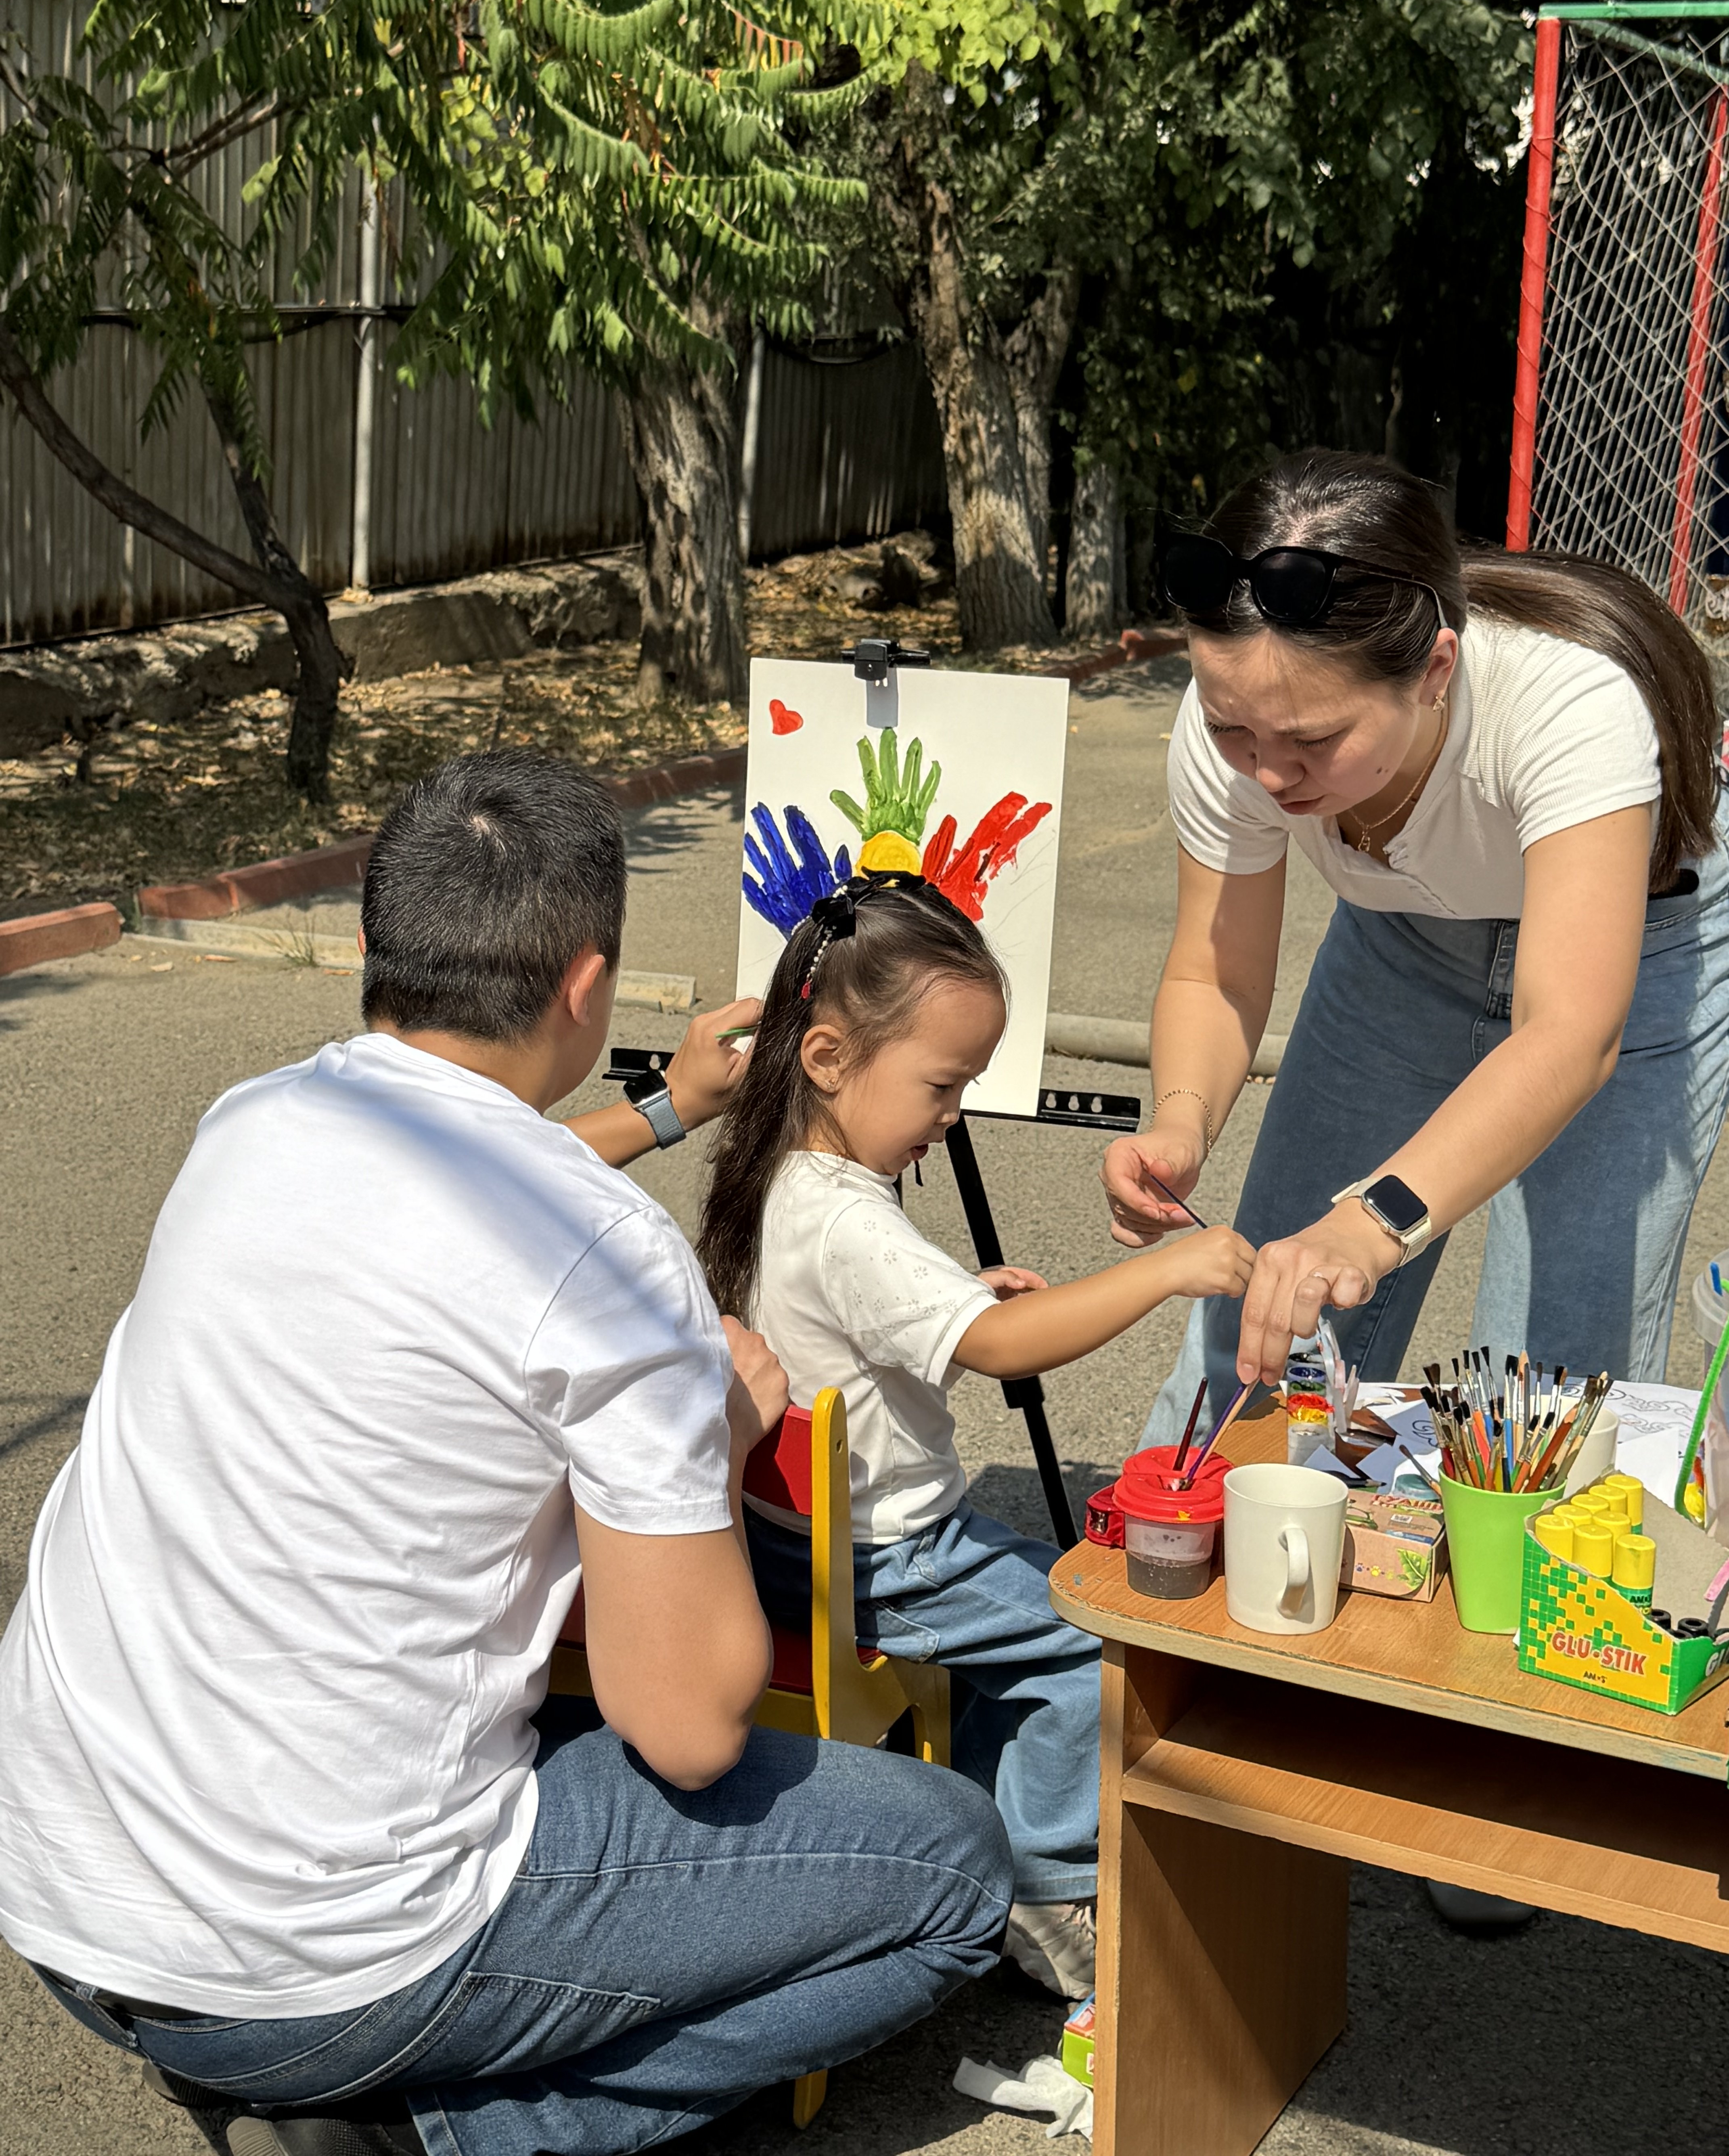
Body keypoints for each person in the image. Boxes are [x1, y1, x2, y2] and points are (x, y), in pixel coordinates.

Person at [0, 751, 1013, 2156]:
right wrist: (714, 1440)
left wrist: (671, 1112)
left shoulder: (256, 1121)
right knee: (950, 1866)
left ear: (371, 945)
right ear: (590, 987)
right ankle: (440, 2137)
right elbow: (691, 1722)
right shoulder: (610, 1265)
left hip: (66, 1892)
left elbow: (468, 1171)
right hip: (313, 1971)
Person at [696, 871, 1255, 2001]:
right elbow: (1005, 1352)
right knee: (1090, 1650)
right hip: (887, 1556)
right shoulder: (850, 1217)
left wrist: (960, 1287)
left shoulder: (775, 1170)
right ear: (828, 1060)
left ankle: (1006, 1826)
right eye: (943, 1085)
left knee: (1039, 1609)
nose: (953, 1114)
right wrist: (1159, 1271)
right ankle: (1046, 1891)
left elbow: (852, 1316)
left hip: (786, 1538)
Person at [1102, 450, 1729, 1456]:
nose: (1267, 771)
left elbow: (1569, 1035)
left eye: (1312, 739)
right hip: (1403, 944)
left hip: (1642, 944)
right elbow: (1214, 970)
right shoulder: (1240, 717)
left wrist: (1376, 1218)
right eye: (1233, 731)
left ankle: (1521, 1608)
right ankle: (1185, 1593)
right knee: (1255, 1335)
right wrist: (1181, 1122)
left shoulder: (1569, 702)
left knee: (1546, 1390)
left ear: (1435, 670)